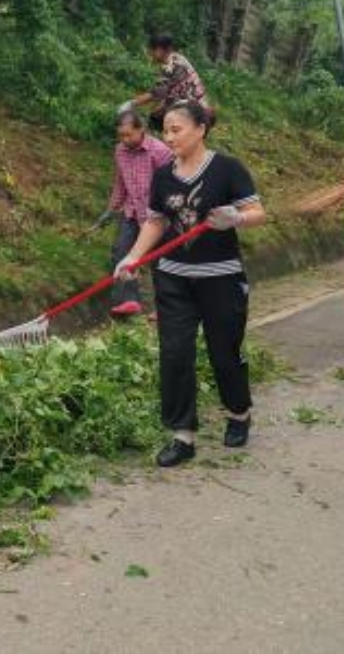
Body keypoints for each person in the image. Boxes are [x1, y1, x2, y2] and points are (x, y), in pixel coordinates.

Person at [115, 101, 267, 468]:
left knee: (224, 351)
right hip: (173, 278)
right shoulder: (164, 174)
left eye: (176, 129)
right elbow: (155, 222)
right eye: (165, 131)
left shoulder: (228, 169)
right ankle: (182, 435)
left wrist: (235, 218)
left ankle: (238, 412)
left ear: (200, 129)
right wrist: (132, 257)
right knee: (175, 352)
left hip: (221, 278)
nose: (169, 137)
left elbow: (257, 212)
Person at [106, 110, 174, 317]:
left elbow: (171, 183)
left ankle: (166, 306)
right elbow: (120, 182)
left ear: (141, 129)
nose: (125, 140)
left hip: (157, 216)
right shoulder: (120, 151)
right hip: (131, 211)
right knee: (121, 252)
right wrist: (111, 208)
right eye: (121, 136)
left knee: (160, 261)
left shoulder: (160, 151)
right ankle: (129, 300)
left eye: (129, 135)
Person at [125, 32, 209, 130]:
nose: (150, 53)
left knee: (157, 120)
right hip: (193, 104)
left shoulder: (173, 66)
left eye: (152, 50)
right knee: (155, 115)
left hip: (195, 109)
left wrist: (131, 103)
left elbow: (156, 93)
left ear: (161, 50)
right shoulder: (176, 59)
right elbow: (165, 95)